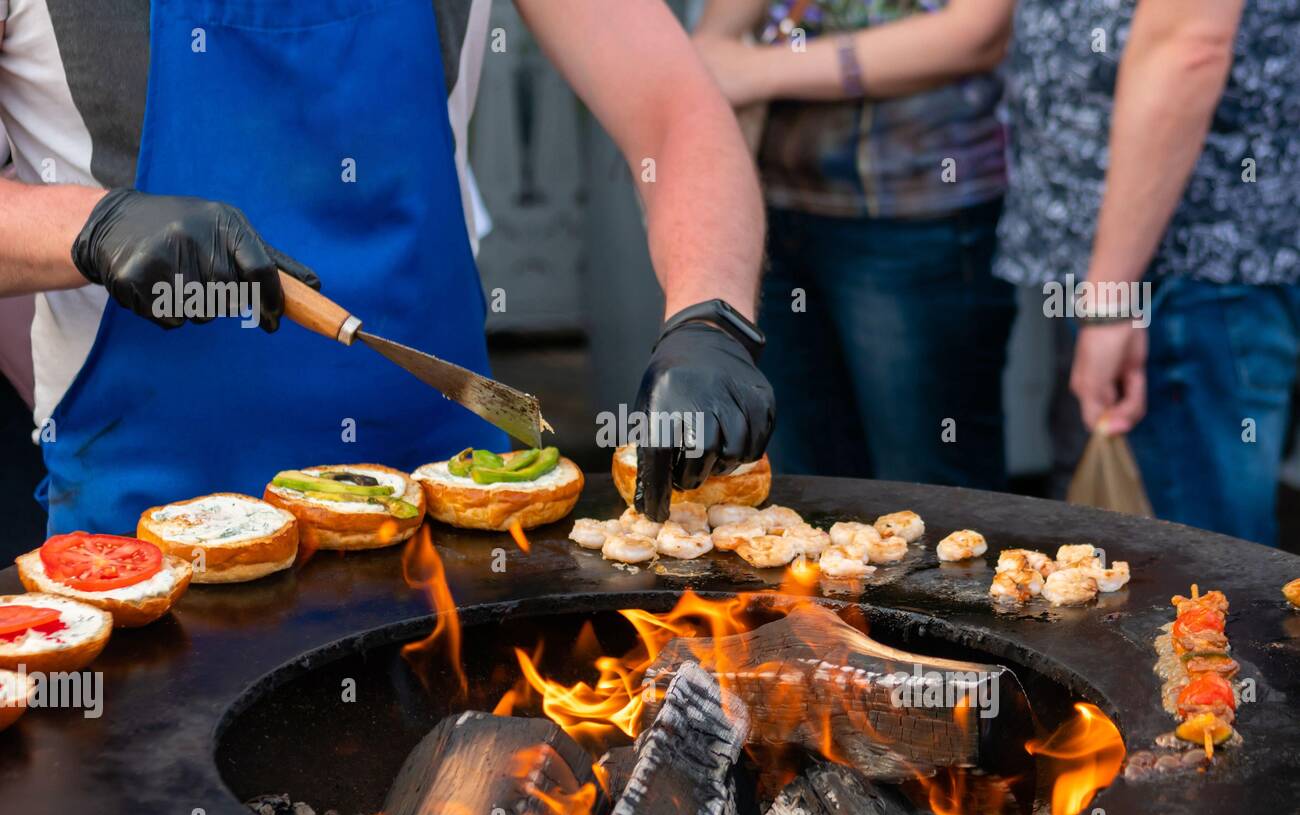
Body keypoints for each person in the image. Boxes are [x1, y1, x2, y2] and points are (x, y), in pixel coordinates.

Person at [0, 0, 772, 532]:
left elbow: (677, 111)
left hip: (450, 531)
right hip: (142, 551)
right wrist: (92, 226)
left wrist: (710, 318)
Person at [996, 0, 1300, 545]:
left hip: (1190, 264)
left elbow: (1188, 48)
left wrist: (1113, 300)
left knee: (1205, 565)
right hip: (1136, 256)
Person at [692, 0, 1017, 489]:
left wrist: (757, 71)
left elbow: (979, 32)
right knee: (803, 488)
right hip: (770, 206)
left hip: (915, 211)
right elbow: (713, 47)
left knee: (932, 491)